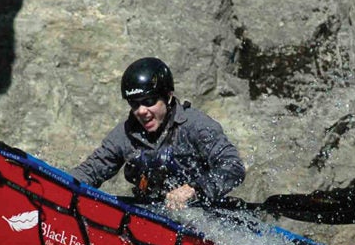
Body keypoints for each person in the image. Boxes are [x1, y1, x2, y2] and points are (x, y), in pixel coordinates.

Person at [71, 57, 245, 210]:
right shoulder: (124, 134)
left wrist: (194, 188)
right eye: (134, 104)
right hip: (152, 217)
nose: (141, 111)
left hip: (203, 219)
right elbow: (90, 171)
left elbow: (233, 166)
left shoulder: (196, 125)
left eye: (149, 101)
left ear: (168, 97)